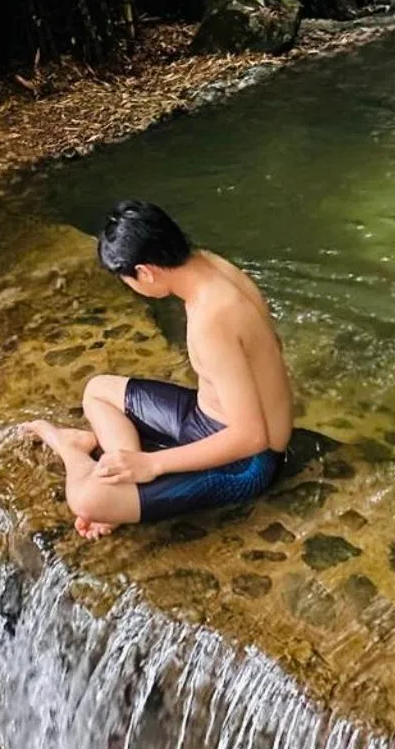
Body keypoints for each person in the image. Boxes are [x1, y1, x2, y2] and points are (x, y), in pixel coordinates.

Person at [19, 199, 293, 539]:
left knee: (87, 499)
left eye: (127, 280)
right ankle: (125, 476)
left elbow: (252, 437)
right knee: (97, 391)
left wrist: (153, 465)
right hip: (205, 416)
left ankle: (71, 449)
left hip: (246, 464)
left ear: (145, 272)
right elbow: (271, 350)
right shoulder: (215, 267)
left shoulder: (213, 318)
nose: (132, 288)